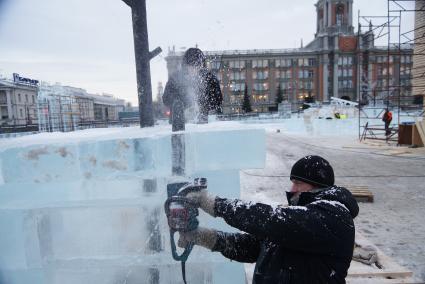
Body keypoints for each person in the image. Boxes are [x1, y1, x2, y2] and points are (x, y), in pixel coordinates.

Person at [178, 155, 359, 283]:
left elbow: (270, 221)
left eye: (298, 183)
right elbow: (253, 248)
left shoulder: (334, 216)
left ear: (317, 186)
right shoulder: (300, 218)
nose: (292, 189)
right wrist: (204, 237)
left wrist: (214, 204)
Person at [162, 47, 223, 124]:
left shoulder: (210, 79)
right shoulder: (175, 79)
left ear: (202, 65)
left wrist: (203, 107)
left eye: (197, 65)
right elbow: (166, 98)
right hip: (180, 124)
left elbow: (218, 100)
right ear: (185, 65)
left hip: (204, 124)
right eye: (191, 66)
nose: (194, 69)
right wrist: (183, 105)